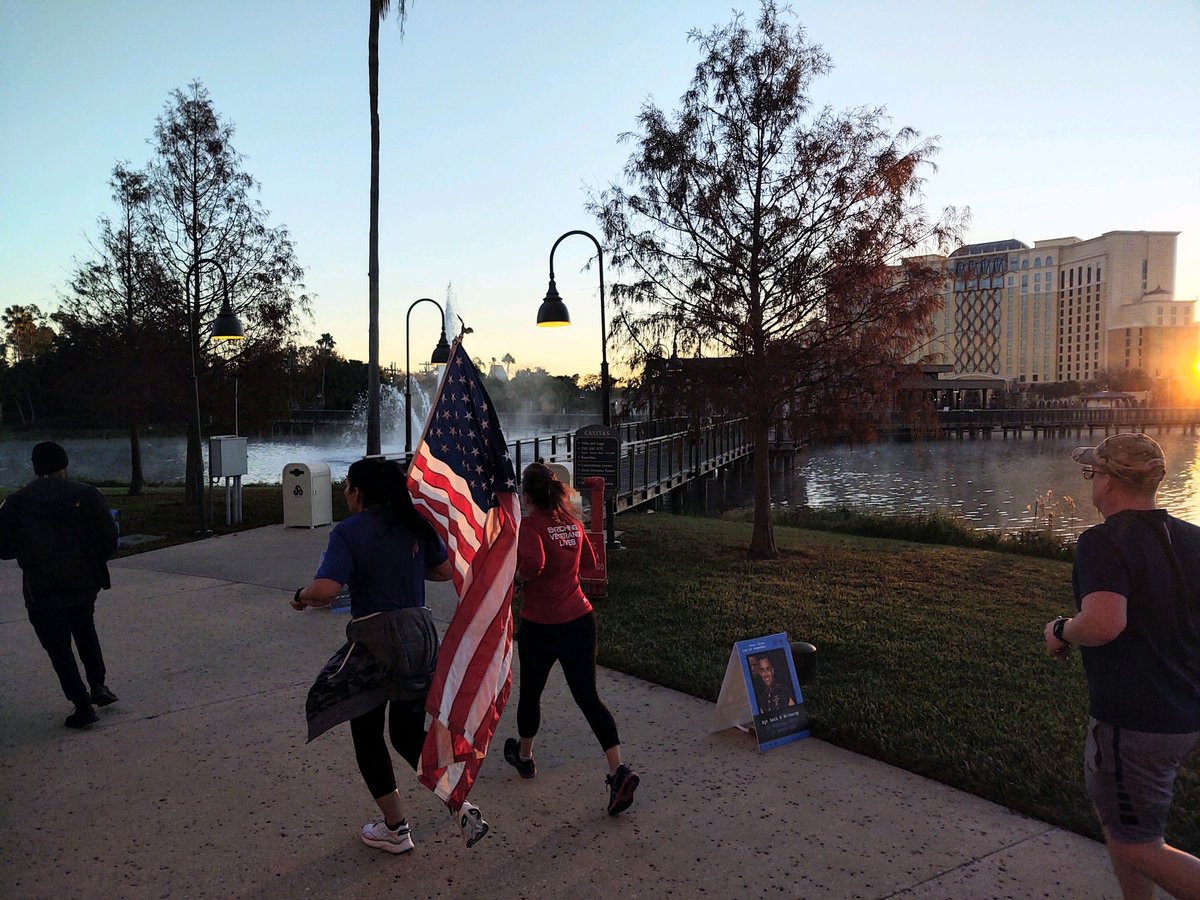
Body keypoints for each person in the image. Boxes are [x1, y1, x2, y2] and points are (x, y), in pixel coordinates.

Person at [294, 457, 489, 853]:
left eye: (347, 485)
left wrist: (301, 597)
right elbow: (442, 569)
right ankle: (460, 803)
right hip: (419, 637)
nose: (345, 492)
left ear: (358, 493)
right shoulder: (413, 523)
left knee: (364, 730)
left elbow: (326, 590)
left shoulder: (349, 532)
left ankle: (396, 828)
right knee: (404, 734)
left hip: (376, 643)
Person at [1044, 433, 1200, 899]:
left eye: (1092, 474)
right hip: (1184, 711)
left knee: (1137, 846)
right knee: (1122, 826)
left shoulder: (1104, 541)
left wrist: (1060, 630)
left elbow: (1104, 623)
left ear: (1109, 481)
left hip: (1134, 721)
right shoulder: (1193, 538)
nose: (1092, 483)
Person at [502, 462, 640, 816]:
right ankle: (618, 769)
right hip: (580, 619)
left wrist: (514, 580)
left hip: (541, 626)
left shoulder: (531, 527)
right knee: (588, 697)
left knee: (531, 693)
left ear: (527, 495)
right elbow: (588, 564)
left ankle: (526, 758)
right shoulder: (573, 524)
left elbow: (533, 566)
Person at [0, 441, 120, 729]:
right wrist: (93, 562)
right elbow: (108, 536)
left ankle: (80, 704)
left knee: (58, 646)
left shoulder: (16, 503)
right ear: (64, 465)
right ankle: (98, 684)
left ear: (35, 467)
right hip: (83, 580)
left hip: (43, 587)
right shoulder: (86, 494)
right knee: (85, 628)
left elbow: (3, 547)